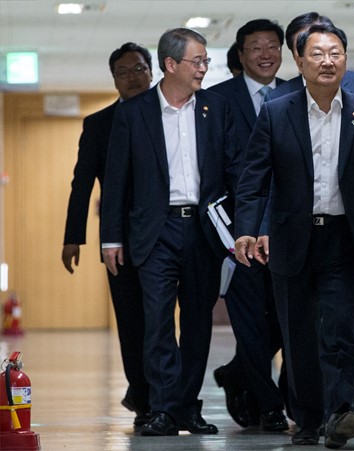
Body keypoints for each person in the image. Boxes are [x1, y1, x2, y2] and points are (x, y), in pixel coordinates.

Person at [233, 22, 354, 448]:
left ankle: (339, 412)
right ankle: (306, 420)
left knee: (343, 330)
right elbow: (254, 180)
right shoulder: (276, 112)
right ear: (300, 61)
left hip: (345, 239)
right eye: (317, 54)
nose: (327, 61)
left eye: (335, 53)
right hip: (292, 239)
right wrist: (247, 230)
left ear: (346, 60)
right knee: (299, 336)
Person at [100, 27, 237, 436]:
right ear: (171, 64)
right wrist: (111, 237)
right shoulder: (134, 112)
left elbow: (234, 171)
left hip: (203, 230)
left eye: (206, 61)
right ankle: (161, 408)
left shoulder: (216, 108)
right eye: (197, 61)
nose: (204, 68)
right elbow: (117, 180)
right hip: (154, 232)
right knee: (157, 320)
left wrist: (240, 229)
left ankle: (186, 407)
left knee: (197, 322)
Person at [61, 42, 153, 430]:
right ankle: (143, 397)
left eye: (139, 69)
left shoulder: (173, 115)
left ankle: (169, 396)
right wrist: (73, 237)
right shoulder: (99, 125)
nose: (132, 78)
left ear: (153, 72)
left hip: (171, 237)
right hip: (121, 241)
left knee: (165, 322)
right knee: (132, 321)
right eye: (123, 72)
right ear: (113, 79)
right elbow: (82, 184)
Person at [208, 18, 288, 432]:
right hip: (237, 232)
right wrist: (228, 230)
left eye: (272, 46)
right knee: (250, 320)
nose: (265, 54)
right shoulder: (218, 99)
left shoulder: (297, 93)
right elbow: (211, 170)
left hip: (289, 229)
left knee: (284, 319)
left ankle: (238, 372)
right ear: (241, 54)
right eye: (255, 47)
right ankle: (269, 404)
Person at [267, 12, 354, 105]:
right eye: (316, 53)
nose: (326, 61)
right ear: (297, 57)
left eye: (333, 52)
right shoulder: (276, 98)